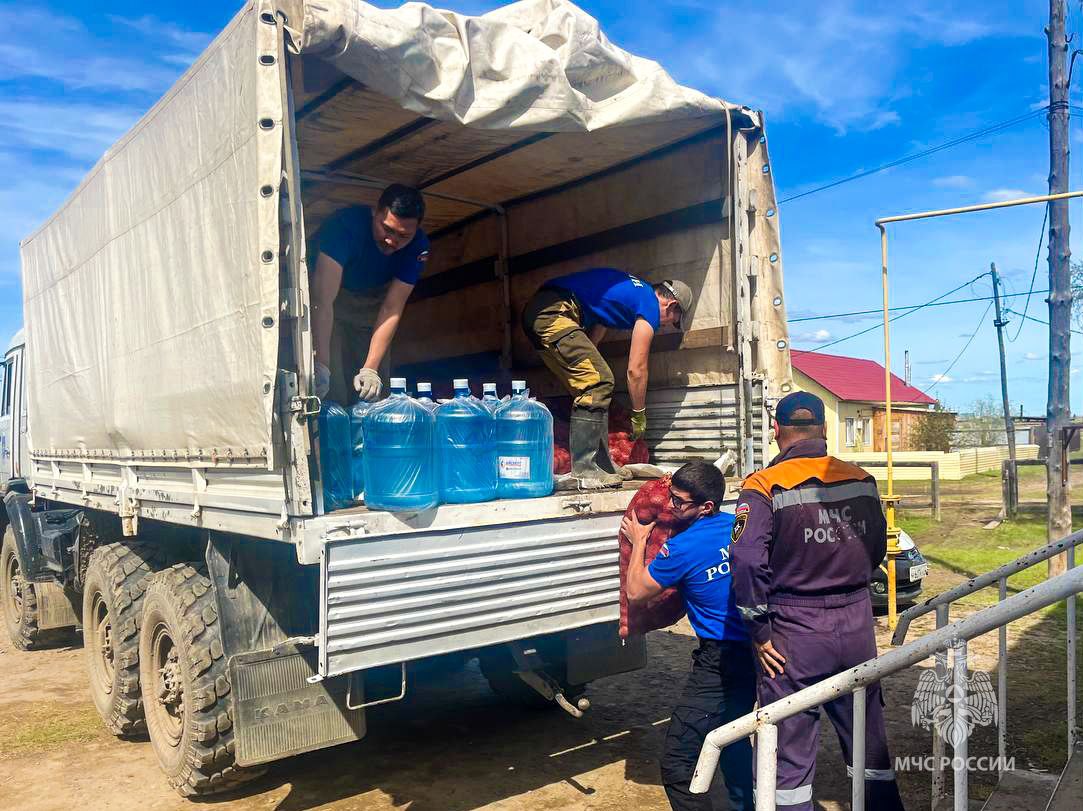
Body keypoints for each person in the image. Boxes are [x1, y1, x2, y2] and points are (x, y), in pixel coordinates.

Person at [730, 391, 905, 811]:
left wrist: (759, 630)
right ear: (824, 429)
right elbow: (877, 546)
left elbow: (746, 560)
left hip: (794, 631)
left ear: (777, 431)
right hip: (857, 623)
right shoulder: (861, 479)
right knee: (867, 740)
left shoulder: (763, 486)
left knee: (787, 748)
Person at [622, 461, 755, 811]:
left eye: (679, 502)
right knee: (734, 739)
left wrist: (639, 542)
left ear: (706, 506)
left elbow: (636, 592)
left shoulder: (681, 548)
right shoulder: (740, 528)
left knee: (678, 763)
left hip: (719, 663)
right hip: (755, 652)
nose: (671, 507)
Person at [522, 268, 692, 488]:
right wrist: (639, 412)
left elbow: (598, 329)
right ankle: (584, 469)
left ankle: (601, 464)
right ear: (671, 305)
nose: (664, 325)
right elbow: (636, 369)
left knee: (594, 384)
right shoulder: (649, 303)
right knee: (599, 381)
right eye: (672, 321)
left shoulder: (633, 293)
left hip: (545, 310)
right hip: (554, 312)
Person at [310, 184, 430, 405]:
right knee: (331, 388)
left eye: (404, 236)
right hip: (330, 303)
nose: (392, 241)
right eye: (387, 229)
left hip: (372, 307)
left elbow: (392, 308)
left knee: (373, 393)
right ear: (375, 212)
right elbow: (322, 301)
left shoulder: (418, 247)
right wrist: (321, 366)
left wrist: (371, 369)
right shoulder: (344, 227)